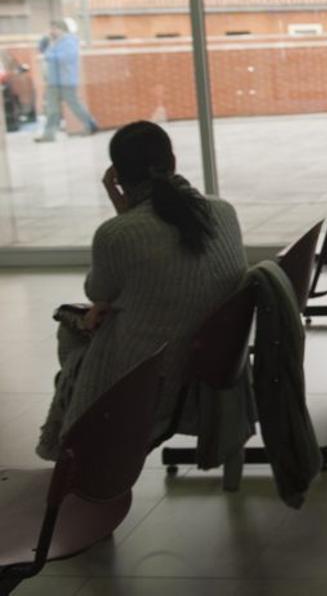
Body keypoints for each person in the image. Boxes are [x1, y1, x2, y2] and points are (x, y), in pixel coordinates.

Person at [37, 121, 246, 460]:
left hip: (153, 380)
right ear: (172, 161)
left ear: (118, 176)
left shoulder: (117, 234)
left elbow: (97, 290)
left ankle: (80, 447)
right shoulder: (222, 211)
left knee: (75, 328)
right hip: (214, 368)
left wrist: (125, 215)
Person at [36, 18, 99, 142]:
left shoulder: (69, 41)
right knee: (52, 109)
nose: (52, 31)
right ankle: (49, 135)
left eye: (54, 28)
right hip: (53, 81)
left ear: (61, 29)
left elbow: (66, 58)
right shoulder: (53, 41)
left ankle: (91, 125)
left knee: (75, 105)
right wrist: (45, 42)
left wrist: (49, 55)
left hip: (66, 81)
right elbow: (41, 49)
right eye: (51, 28)